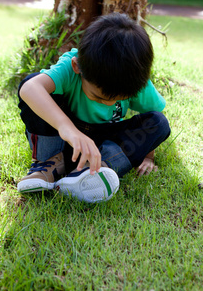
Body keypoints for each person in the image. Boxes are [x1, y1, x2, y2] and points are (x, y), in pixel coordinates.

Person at [16, 13, 171, 202]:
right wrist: (67, 128)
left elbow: (151, 115)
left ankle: (94, 169)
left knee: (159, 123)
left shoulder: (134, 80)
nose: (107, 104)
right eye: (98, 96)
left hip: (104, 144)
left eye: (117, 100)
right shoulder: (72, 65)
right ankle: (49, 165)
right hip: (63, 140)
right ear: (77, 67)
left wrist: (148, 157)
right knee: (32, 82)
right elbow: (30, 89)